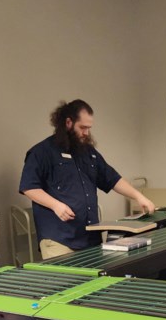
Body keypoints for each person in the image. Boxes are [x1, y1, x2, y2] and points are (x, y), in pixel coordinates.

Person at [19, 99, 156, 259]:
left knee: (95, 282)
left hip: (90, 238)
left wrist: (139, 196)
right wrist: (56, 205)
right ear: (68, 123)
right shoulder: (41, 152)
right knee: (67, 284)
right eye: (82, 127)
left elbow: (112, 179)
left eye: (89, 128)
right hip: (59, 240)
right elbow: (29, 187)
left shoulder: (88, 152)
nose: (86, 133)